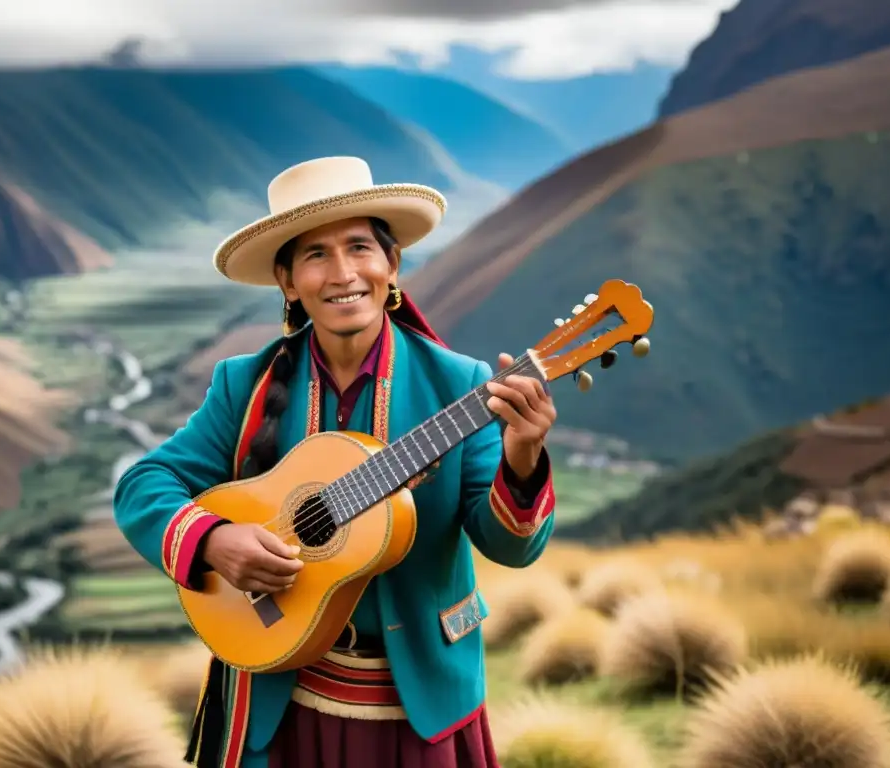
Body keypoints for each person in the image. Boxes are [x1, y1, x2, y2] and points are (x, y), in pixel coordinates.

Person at [113, 156, 558, 768]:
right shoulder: (243, 385)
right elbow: (143, 485)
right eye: (316, 255)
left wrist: (524, 454)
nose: (343, 273)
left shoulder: (464, 386)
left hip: (419, 708)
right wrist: (214, 541)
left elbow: (512, 548)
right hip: (276, 700)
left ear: (391, 264)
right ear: (288, 281)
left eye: (359, 247)